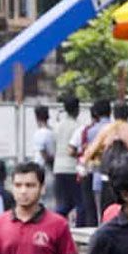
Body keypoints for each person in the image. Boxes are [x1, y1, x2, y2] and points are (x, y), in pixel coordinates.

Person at [82, 102, 128, 212]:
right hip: (127, 179)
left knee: (108, 211)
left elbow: (89, 153)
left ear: (114, 114)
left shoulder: (107, 130)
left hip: (108, 177)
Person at [70, 100, 111, 227]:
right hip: (116, 174)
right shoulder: (117, 128)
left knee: (94, 209)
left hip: (96, 174)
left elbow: (84, 153)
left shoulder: (90, 131)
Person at [52, 96, 86, 224]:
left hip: (58, 168)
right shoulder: (79, 126)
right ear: (77, 109)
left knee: (63, 203)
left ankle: (57, 225)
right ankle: (80, 228)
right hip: (73, 169)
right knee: (80, 202)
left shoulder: (57, 126)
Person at [33, 106, 55, 171]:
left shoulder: (39, 133)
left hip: (42, 167)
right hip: (52, 167)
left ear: (37, 118)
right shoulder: (53, 131)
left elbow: (43, 153)